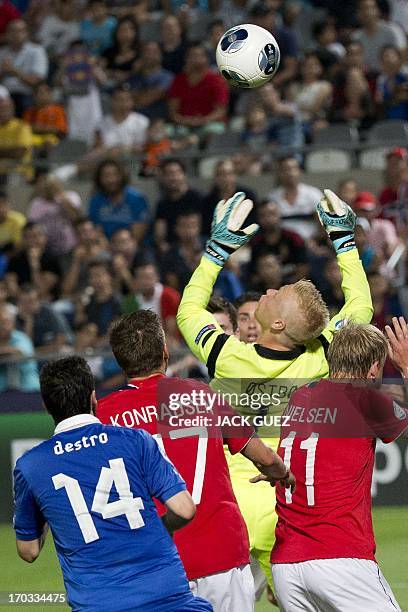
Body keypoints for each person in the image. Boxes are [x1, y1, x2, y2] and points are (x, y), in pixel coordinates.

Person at [177, 189, 373, 594]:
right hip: (287, 502)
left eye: (275, 297)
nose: (267, 292)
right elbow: (360, 308)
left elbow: (188, 311)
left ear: (278, 326)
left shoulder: (226, 356)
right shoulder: (319, 356)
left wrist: (215, 253)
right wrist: (344, 241)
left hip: (228, 501)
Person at [97, 310, 295, 612]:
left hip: (154, 563)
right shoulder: (203, 395)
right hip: (221, 552)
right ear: (165, 352)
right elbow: (264, 457)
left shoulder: (103, 415)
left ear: (121, 360)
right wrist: (281, 473)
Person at [13, 355, 213, 612]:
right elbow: (185, 509)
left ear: (46, 405)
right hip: (167, 595)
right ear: (92, 397)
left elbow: (28, 551)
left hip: (99, 603)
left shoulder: (31, 465)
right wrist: (160, 527)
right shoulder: (135, 440)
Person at [270, 321, 406, 611]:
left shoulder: (300, 397)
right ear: (373, 368)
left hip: (286, 564)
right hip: (340, 557)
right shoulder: (363, 396)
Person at [167, 43, 229, 144]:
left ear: (206, 59)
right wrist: (185, 121)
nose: (195, 59)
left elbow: (221, 111)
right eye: (192, 56)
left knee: (214, 130)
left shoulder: (216, 80)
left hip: (209, 124)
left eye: (199, 56)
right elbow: (173, 111)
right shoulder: (178, 81)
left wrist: (202, 120)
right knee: (167, 131)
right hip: (184, 124)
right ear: (186, 60)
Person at [249, 199, 309, 284]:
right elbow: (253, 274)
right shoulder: (256, 242)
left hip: (293, 285)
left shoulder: (294, 238)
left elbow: (303, 267)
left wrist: (289, 288)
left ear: (279, 215)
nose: (268, 219)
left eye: (272, 214)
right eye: (263, 216)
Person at [88, 159, 149, 242]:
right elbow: (96, 230)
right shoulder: (96, 200)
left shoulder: (137, 198)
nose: (111, 180)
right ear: (99, 179)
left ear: (122, 175)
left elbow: (137, 236)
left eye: (115, 174)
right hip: (107, 248)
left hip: (134, 247)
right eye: (106, 176)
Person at [0, 19, 48, 116]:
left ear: (26, 33)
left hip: (27, 93)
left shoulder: (36, 51)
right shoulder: (2, 53)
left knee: (24, 101)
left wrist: (14, 71)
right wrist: (3, 72)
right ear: (7, 34)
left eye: (20, 31)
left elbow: (37, 81)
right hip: (4, 95)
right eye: (12, 31)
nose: (16, 34)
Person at [27, 174, 82, 259]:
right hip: (46, 251)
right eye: (44, 184)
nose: (47, 187)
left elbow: (76, 218)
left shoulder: (71, 196)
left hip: (70, 249)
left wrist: (60, 195)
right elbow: (31, 228)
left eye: (50, 184)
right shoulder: (36, 203)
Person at [268, 156, 323, 239]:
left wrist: (317, 241)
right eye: (286, 169)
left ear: (299, 171)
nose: (290, 173)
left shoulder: (313, 193)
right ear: (279, 173)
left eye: (293, 168)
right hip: (283, 243)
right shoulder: (272, 197)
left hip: (311, 242)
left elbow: (324, 222)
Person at [154, 158, 204, 248]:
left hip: (199, 244)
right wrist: (162, 245)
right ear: (163, 178)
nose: (173, 177)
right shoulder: (162, 204)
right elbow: (160, 233)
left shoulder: (198, 198)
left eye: (177, 173)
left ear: (184, 174)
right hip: (173, 248)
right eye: (168, 174)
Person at [352, 0, 404, 72]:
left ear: (378, 11)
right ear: (358, 14)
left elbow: (403, 53)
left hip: (394, 74)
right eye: (363, 9)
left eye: (370, 8)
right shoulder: (356, 37)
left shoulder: (392, 30)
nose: (367, 12)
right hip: (368, 76)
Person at [127, 40, 173, 120]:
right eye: (147, 51)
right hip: (132, 121)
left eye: (154, 52)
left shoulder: (167, 77)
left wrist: (134, 97)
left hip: (156, 121)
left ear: (161, 56)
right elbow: (125, 100)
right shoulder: (134, 77)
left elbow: (143, 100)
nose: (150, 55)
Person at [0, 94, 32, 183]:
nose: (3, 111)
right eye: (0, 108)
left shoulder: (22, 127)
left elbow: (19, 153)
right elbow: (14, 152)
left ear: (12, 109)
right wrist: (10, 151)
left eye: (6, 108)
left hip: (17, 171)